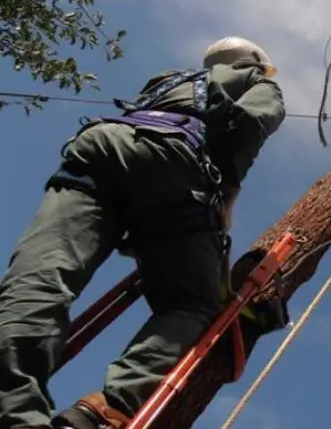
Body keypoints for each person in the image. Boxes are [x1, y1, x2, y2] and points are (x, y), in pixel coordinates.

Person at [0, 36, 287, 429]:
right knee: (191, 305)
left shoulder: (168, 79)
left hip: (97, 149)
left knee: (41, 280)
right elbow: (253, 121)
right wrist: (227, 199)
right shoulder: (256, 79)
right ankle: (108, 407)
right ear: (254, 61)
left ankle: (14, 412)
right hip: (170, 161)